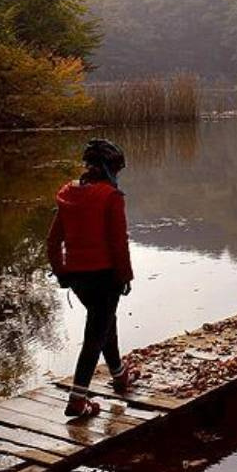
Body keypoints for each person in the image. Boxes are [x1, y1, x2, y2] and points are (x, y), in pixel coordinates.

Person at [46, 138, 137, 417]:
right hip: (105, 276)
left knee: (105, 322)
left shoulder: (68, 195)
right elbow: (118, 243)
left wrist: (62, 274)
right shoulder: (110, 196)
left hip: (78, 277)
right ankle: (77, 400)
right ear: (110, 169)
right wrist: (125, 277)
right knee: (95, 336)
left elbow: (52, 242)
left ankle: (120, 376)